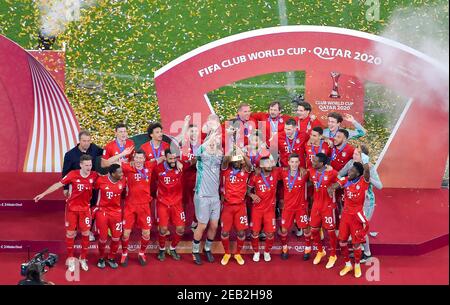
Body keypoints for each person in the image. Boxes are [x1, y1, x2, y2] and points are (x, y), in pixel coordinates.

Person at [34, 154, 98, 272]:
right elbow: (58, 184)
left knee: (86, 233)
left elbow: (106, 182)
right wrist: (43, 194)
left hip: (85, 210)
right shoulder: (73, 174)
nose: (89, 167)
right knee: (70, 234)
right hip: (71, 209)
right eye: (86, 165)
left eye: (90, 165)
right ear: (81, 165)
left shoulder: (94, 175)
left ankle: (83, 258)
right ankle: (70, 258)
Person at [338, 145, 383, 262]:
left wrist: (365, 176)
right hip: (352, 202)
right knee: (354, 227)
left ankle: (367, 253)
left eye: (356, 154)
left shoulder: (370, 168)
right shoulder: (351, 163)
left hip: (366, 203)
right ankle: (360, 250)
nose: (353, 156)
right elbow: (340, 174)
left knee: (360, 228)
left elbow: (380, 186)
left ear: (364, 157)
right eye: (353, 154)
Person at [328, 162, 370, 278]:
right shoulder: (346, 180)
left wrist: (364, 162)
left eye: (352, 171)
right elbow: (336, 184)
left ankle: (357, 265)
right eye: (349, 170)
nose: (349, 172)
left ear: (358, 174)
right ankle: (347, 264)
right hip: (345, 216)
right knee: (342, 241)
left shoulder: (363, 182)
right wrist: (331, 188)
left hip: (356, 216)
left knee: (356, 244)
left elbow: (366, 171)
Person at [62, 130, 104, 242]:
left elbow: (106, 153)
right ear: (79, 141)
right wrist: (65, 188)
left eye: (88, 141)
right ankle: (74, 229)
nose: (86, 143)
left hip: (92, 185)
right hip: (76, 189)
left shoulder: (94, 149)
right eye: (84, 141)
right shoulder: (70, 155)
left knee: (92, 207)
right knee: (74, 209)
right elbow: (65, 172)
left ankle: (89, 230)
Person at [191, 130, 223, 265]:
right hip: (202, 197)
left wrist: (218, 140)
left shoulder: (219, 157)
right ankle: (195, 251)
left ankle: (207, 249)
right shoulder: (201, 157)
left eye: (214, 144)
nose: (212, 145)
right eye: (210, 144)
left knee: (214, 225)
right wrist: (211, 138)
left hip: (215, 197)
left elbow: (222, 151)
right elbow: (199, 148)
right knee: (202, 225)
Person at [120, 150, 157, 267]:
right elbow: (110, 162)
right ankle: (124, 253)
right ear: (133, 159)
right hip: (130, 205)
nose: (139, 160)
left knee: (146, 232)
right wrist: (123, 157)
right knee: (126, 233)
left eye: (141, 158)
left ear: (144, 159)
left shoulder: (150, 165)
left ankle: (141, 253)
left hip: (144, 206)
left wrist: (178, 163)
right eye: (137, 158)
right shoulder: (127, 167)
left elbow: (162, 158)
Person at [154, 148, 189, 262]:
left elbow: (193, 161)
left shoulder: (180, 165)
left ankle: (172, 248)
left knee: (180, 229)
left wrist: (179, 162)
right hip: (163, 203)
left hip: (177, 203)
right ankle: (162, 249)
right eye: (170, 158)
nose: (173, 160)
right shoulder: (158, 168)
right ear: (165, 158)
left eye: (175, 158)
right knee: (163, 229)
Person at [220, 146, 252, 266]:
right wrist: (232, 148)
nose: (237, 162)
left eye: (239, 160)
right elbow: (224, 161)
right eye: (235, 160)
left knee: (241, 233)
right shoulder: (225, 170)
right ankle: (227, 253)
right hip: (227, 207)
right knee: (224, 233)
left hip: (240, 207)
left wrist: (241, 152)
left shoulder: (246, 171)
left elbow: (249, 164)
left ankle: (238, 253)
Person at [308, 153, 339, 269]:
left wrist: (333, 187)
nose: (313, 162)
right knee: (314, 230)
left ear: (322, 163)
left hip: (328, 206)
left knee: (330, 232)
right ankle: (321, 251)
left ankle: (333, 255)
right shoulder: (311, 171)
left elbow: (342, 182)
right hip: (316, 206)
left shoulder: (332, 172)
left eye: (315, 161)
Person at [278, 153, 311, 260]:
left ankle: (307, 249)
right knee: (283, 230)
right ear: (288, 163)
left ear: (299, 163)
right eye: (292, 162)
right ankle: (285, 248)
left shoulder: (304, 173)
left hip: (300, 208)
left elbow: (316, 170)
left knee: (306, 229)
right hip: (288, 207)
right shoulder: (283, 172)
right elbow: (269, 171)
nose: (294, 164)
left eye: (296, 162)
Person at [247, 156, 280, 262]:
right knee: (255, 233)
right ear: (261, 166)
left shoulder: (276, 173)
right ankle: (256, 252)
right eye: (266, 163)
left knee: (270, 234)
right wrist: (252, 196)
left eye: (270, 163)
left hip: (270, 210)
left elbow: (290, 168)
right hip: (257, 210)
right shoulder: (255, 177)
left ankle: (266, 252)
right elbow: (248, 191)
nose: (269, 165)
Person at [94, 164, 126, 269]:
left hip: (116, 213)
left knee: (116, 238)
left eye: (122, 172)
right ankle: (101, 257)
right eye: (120, 172)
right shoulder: (101, 180)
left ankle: (111, 257)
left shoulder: (123, 181)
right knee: (103, 239)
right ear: (112, 174)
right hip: (102, 212)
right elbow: (92, 188)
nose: (122, 174)